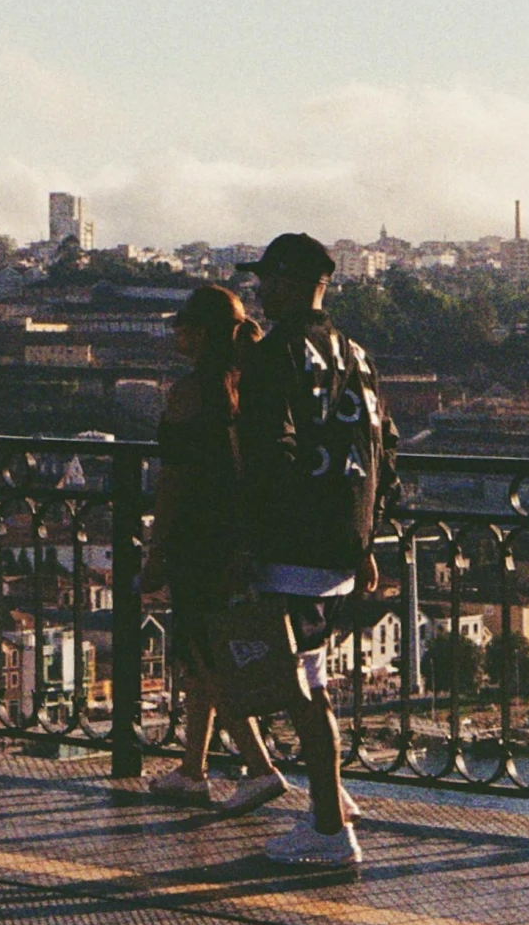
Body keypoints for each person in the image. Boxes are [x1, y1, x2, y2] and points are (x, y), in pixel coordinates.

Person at [234, 233, 400, 867]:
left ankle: (329, 828)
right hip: (343, 536)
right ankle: (332, 804)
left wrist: (249, 539)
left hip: (289, 540)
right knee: (311, 680)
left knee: (303, 690)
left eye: (267, 280)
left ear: (293, 281)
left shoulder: (274, 354)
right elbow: (385, 449)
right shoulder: (356, 354)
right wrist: (365, 535)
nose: (260, 291)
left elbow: (266, 453)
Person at [141, 284, 287, 814]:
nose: (174, 332)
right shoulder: (246, 383)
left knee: (205, 653)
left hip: (198, 538)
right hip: (242, 535)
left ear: (197, 333)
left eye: (180, 325)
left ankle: (260, 766)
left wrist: (156, 550)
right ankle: (192, 769)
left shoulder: (188, 392)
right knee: (204, 650)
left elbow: (173, 478)